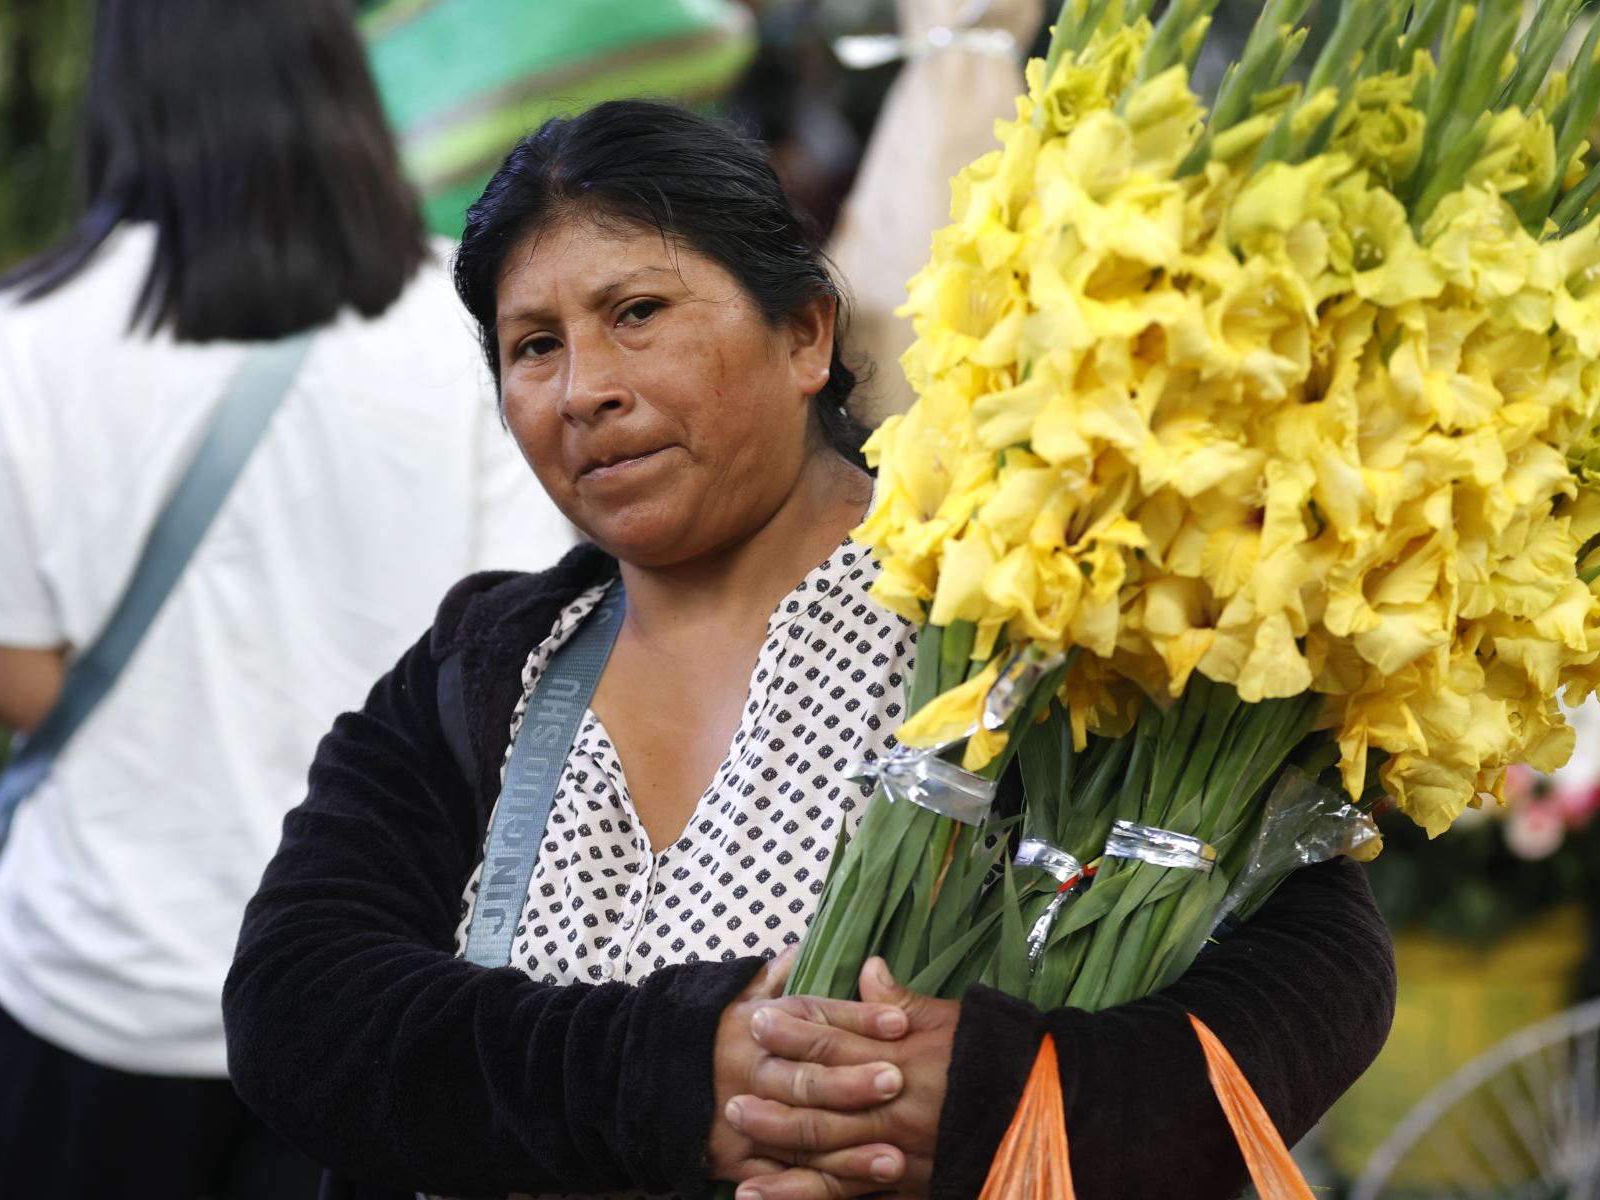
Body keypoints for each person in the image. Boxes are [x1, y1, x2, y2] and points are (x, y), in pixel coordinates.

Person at [224, 100, 1396, 1200]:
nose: (585, 391)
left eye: (639, 314)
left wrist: (1008, 1095)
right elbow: (297, 1004)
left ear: (804, 333)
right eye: (534, 347)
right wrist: (676, 1077)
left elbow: (1323, 973)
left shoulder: (1013, 621)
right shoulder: (492, 665)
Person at [0, 0, 572, 1195]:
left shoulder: (34, 330)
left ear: (127, 95)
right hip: (366, 986)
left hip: (95, 987)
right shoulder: (458, 331)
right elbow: (520, 653)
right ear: (340, 83)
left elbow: (1, 665)